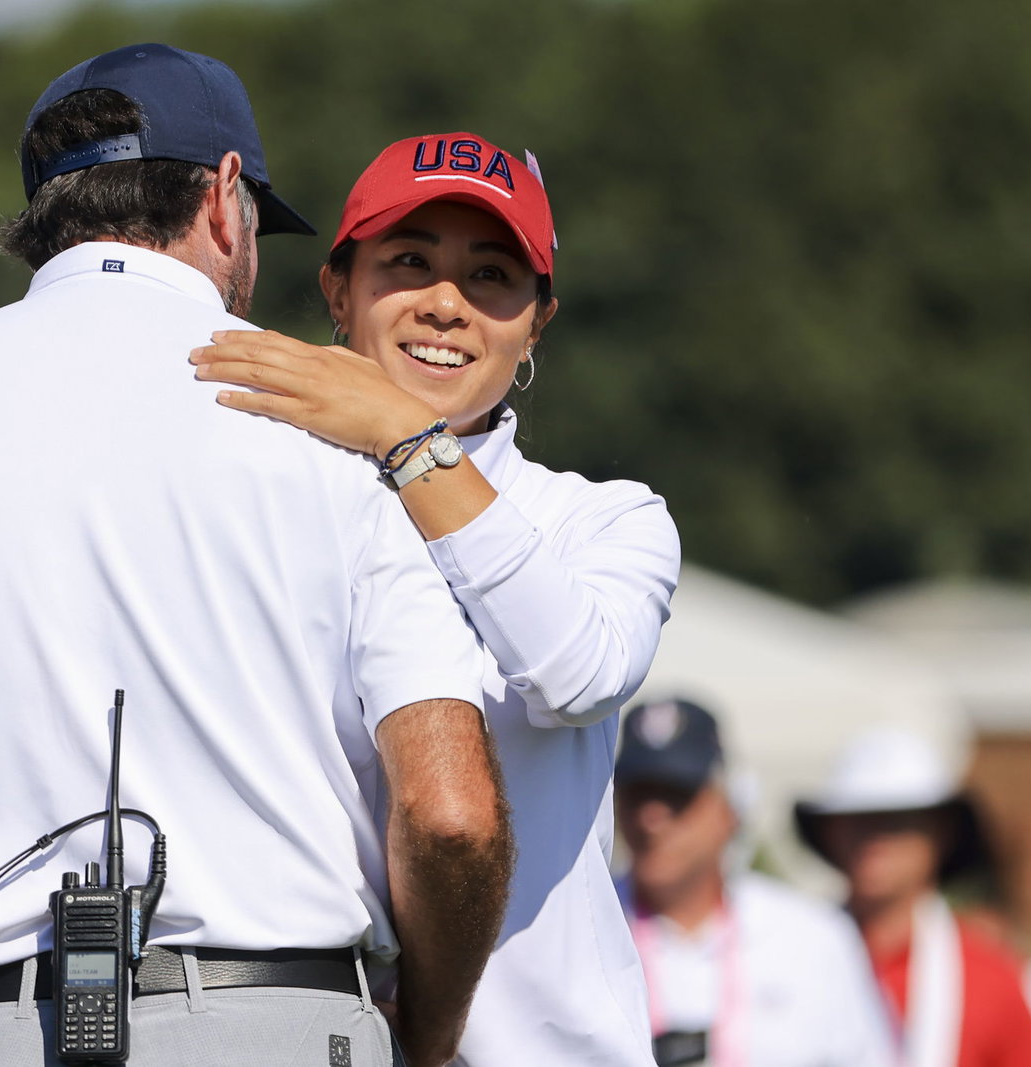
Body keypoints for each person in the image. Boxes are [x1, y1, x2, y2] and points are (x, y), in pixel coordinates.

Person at [0, 45, 512, 1067]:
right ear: (225, 197)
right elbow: (450, 815)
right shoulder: (343, 423)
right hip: (278, 1017)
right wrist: (428, 1027)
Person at [189, 131, 681, 1064]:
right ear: (339, 289)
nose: (448, 305)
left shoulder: (607, 519)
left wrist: (407, 440)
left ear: (538, 321)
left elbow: (575, 676)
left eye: (492, 275)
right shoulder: (253, 502)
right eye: (409, 262)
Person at [614, 698, 896, 1067]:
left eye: (677, 796)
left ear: (728, 810)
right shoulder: (575, 930)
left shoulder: (811, 938)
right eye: (637, 795)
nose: (651, 817)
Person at [796, 726, 1031, 1067]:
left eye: (897, 821)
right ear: (829, 832)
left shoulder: (990, 976)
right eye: (856, 820)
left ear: (942, 831)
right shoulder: (788, 954)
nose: (875, 839)